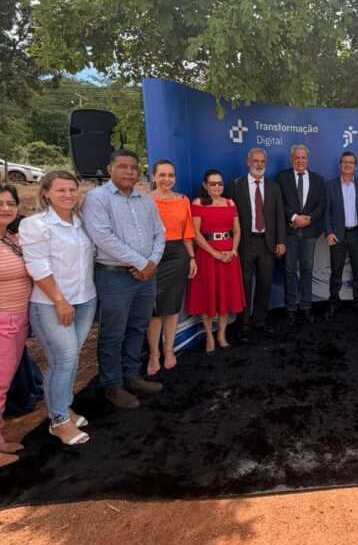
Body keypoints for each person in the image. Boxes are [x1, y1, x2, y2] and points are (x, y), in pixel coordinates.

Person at [82, 149, 165, 409]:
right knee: (112, 334)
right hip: (114, 277)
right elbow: (103, 237)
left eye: (134, 167)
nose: (130, 171)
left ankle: (131, 375)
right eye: (123, 166)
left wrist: (151, 263)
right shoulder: (96, 198)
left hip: (145, 277)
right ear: (110, 169)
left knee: (137, 328)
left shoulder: (145, 200)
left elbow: (159, 234)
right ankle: (112, 385)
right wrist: (141, 263)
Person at [19, 170, 97, 447]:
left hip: (85, 299)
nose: (68, 195)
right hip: (52, 304)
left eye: (72, 190)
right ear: (46, 193)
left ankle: (64, 406)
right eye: (61, 190)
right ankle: (59, 421)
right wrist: (59, 301)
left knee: (72, 357)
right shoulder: (35, 224)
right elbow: (37, 266)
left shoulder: (82, 223)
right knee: (62, 359)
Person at [226, 150, 286, 342]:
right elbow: (228, 216)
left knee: (265, 283)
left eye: (263, 161)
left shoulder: (274, 187)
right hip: (245, 243)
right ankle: (243, 324)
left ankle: (260, 320)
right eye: (256, 161)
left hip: (267, 243)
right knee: (244, 285)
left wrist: (281, 240)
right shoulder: (235, 185)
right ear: (248, 162)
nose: (259, 164)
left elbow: (279, 216)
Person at [146, 159, 197, 374]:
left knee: (172, 307)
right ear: (153, 177)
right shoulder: (144, 200)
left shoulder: (183, 200)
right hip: (152, 257)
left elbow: (187, 233)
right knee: (154, 310)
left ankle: (169, 350)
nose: (167, 179)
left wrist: (192, 258)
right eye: (162, 175)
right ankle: (154, 354)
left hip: (178, 256)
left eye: (171, 175)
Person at [187, 169, 245, 352]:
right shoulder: (198, 203)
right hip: (207, 255)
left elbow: (237, 230)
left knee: (225, 296)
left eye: (220, 183)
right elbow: (196, 233)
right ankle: (209, 336)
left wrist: (234, 251)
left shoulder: (230, 203)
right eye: (213, 184)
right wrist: (214, 253)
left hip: (229, 255)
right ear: (205, 185)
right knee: (208, 296)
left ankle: (221, 334)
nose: (217, 187)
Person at [0, 183, 31, 467]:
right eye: (0, 204)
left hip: (19, 320)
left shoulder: (13, 239)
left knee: (4, 383)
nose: (6, 208)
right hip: (3, 322)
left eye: (11, 203)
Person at [276, 145, 325, 324]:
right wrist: (295, 218)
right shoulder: (282, 177)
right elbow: (279, 201)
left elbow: (321, 204)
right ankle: (290, 308)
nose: (300, 161)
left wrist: (308, 219)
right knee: (289, 270)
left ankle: (306, 306)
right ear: (291, 159)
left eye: (303, 158)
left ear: (308, 159)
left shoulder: (318, 179)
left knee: (307, 269)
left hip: (309, 232)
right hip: (290, 231)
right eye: (297, 158)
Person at [324, 151, 358, 320]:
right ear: (340, 165)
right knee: (336, 272)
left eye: (351, 162)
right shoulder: (330, 186)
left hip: (357, 235)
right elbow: (326, 211)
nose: (348, 165)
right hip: (338, 236)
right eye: (345, 162)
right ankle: (333, 304)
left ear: (355, 167)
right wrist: (329, 232)